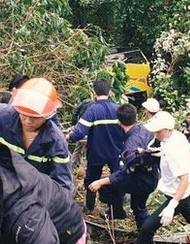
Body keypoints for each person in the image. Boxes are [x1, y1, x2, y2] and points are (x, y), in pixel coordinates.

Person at [136, 111, 190, 244]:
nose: (155, 135)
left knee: (147, 228)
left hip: (179, 193)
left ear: (167, 129)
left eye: (158, 132)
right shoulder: (175, 136)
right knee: (187, 208)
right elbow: (167, 150)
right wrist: (154, 152)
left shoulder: (174, 150)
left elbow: (184, 179)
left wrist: (172, 205)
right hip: (179, 191)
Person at [88, 103, 159, 227]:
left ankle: (142, 232)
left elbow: (123, 174)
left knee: (107, 186)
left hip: (142, 181)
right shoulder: (145, 129)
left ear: (119, 122)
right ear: (136, 117)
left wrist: (101, 182)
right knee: (138, 206)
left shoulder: (129, 147)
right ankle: (140, 229)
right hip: (150, 175)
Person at [67, 78, 124, 215]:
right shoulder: (118, 110)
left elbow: (79, 132)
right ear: (110, 92)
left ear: (94, 92)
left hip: (96, 152)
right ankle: (116, 209)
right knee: (117, 178)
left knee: (91, 180)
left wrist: (68, 137)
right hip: (115, 152)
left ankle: (89, 207)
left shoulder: (92, 111)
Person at [69, 97, 94, 169]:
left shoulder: (85, 102)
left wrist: (74, 124)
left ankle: (74, 165)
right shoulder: (95, 106)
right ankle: (88, 167)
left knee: (79, 147)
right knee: (89, 148)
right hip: (90, 129)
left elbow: (75, 111)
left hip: (80, 128)